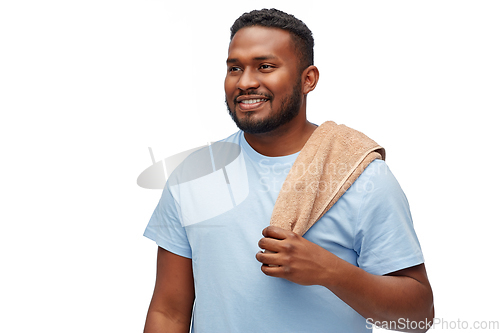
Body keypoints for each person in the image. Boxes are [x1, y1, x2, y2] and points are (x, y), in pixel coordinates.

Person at [143, 8, 434, 333]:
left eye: (265, 66)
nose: (246, 82)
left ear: (307, 79)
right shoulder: (194, 175)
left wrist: (330, 271)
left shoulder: (360, 176)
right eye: (234, 68)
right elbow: (168, 312)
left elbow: (418, 316)